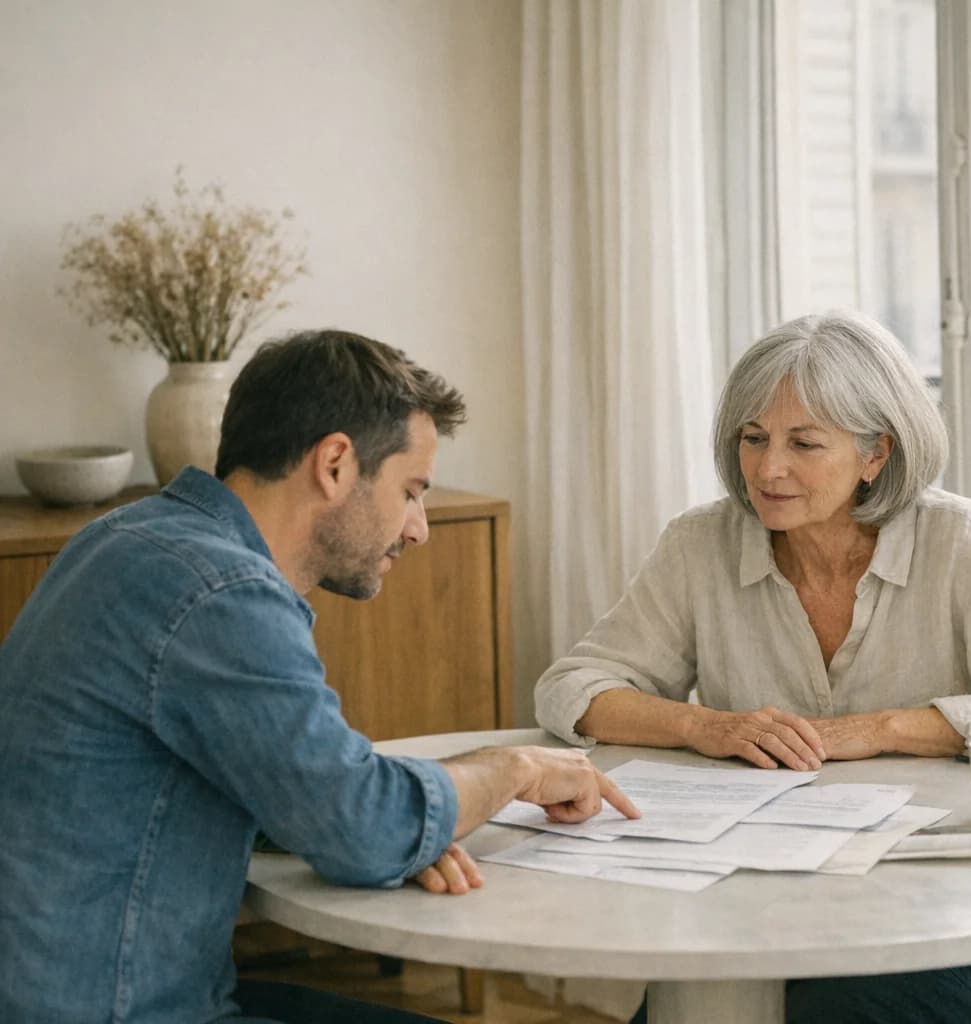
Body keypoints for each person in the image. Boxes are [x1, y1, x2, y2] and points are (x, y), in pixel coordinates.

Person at [0, 330, 639, 1024]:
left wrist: (398, 824)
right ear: (334, 463)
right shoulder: (222, 593)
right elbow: (363, 825)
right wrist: (511, 771)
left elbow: (321, 800)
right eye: (410, 491)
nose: (419, 528)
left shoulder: (127, 538)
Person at [535, 310, 971, 1024]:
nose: (767, 468)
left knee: (830, 1011)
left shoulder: (959, 539)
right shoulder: (700, 542)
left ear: (876, 454)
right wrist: (703, 725)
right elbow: (571, 688)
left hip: (961, 911)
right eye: (753, 438)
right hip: (765, 903)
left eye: (803, 443)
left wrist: (881, 729)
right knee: (695, 1011)